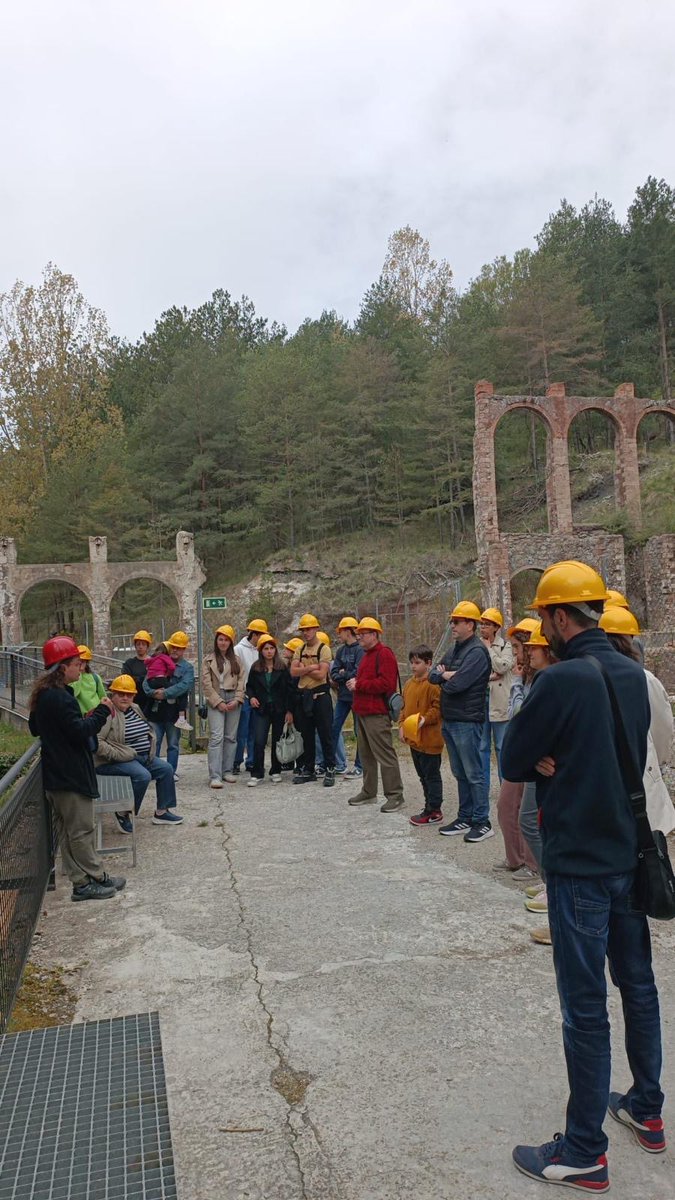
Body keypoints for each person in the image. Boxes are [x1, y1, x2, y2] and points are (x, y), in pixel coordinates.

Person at [501, 560, 664, 1192]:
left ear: (560, 617)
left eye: (543, 617)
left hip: (579, 869)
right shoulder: (632, 673)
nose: (540, 627)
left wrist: (548, 755)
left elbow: (515, 757)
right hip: (629, 856)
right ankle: (647, 1111)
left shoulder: (562, 680)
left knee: (585, 1008)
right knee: (639, 986)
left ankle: (584, 1150)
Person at [28, 636, 125, 901]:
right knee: (81, 831)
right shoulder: (61, 698)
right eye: (76, 664)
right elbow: (81, 732)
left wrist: (74, 722)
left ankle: (81, 882)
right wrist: (102, 712)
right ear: (62, 667)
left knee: (68, 831)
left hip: (55, 775)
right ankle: (96, 877)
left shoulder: (44, 696)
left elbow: (35, 727)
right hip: (70, 775)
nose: (80, 668)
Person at [599, 606, 675, 836]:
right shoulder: (645, 679)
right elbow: (662, 728)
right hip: (642, 773)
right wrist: (656, 762)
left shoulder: (586, 676)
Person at [429, 601, 492, 842]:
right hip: (452, 718)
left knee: (474, 772)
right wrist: (445, 674)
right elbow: (433, 674)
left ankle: (482, 820)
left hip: (467, 720)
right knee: (460, 772)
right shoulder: (455, 649)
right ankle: (465, 817)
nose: (452, 625)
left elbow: (457, 685)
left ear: (470, 624)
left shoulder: (476, 652)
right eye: (452, 621)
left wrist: (445, 677)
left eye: (456, 622)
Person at [94, 674, 183, 827]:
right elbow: (97, 742)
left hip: (141, 757)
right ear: (112, 695)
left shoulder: (135, 708)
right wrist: (120, 754)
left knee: (166, 769)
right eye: (120, 694)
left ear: (134, 696)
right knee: (143, 776)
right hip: (114, 761)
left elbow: (146, 729)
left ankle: (162, 813)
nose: (124, 698)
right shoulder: (107, 712)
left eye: (129, 694)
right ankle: (123, 812)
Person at [347, 616, 404, 813]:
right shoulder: (368, 655)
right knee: (366, 755)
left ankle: (395, 795)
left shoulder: (384, 654)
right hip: (363, 712)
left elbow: (386, 684)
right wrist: (357, 682)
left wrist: (359, 685)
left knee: (384, 754)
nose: (359, 637)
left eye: (362, 634)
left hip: (376, 714)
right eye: (358, 634)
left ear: (374, 634)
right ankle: (369, 791)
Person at [399, 644, 443, 826]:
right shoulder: (408, 684)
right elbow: (403, 708)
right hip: (414, 740)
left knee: (432, 775)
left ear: (429, 663)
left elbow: (438, 707)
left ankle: (434, 809)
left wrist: (424, 719)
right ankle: (428, 805)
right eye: (411, 662)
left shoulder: (434, 685)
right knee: (422, 775)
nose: (413, 666)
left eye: (417, 662)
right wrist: (401, 725)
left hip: (430, 740)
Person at [290, 614, 336, 787]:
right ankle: (308, 769)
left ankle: (330, 767)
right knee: (306, 734)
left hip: (321, 696)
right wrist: (311, 667)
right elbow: (293, 672)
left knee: (325, 733)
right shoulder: (299, 649)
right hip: (304, 695)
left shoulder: (324, 649)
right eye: (303, 630)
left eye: (308, 629)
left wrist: (303, 668)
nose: (306, 632)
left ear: (316, 629)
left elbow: (322, 674)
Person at [142, 630, 194, 776]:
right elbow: (146, 683)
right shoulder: (158, 660)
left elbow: (184, 686)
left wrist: (163, 694)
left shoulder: (187, 668)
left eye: (178, 647)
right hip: (155, 710)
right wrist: (153, 693)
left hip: (174, 712)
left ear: (184, 649)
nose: (175, 650)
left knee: (173, 744)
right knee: (154, 742)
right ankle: (154, 770)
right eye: (173, 646)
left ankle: (171, 772)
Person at [245, 635, 294, 786]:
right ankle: (257, 772)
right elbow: (250, 686)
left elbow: (289, 690)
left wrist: (289, 711)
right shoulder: (255, 668)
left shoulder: (282, 667)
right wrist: (251, 697)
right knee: (259, 740)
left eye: (271, 648)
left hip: (279, 709)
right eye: (266, 649)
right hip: (261, 709)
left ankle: (276, 770)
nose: (269, 651)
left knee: (277, 741)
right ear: (261, 651)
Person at [201, 624, 244, 789]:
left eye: (226, 640)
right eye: (220, 639)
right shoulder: (208, 660)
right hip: (216, 699)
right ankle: (215, 775)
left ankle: (227, 770)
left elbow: (241, 681)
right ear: (216, 641)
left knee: (231, 737)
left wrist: (238, 699)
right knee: (216, 737)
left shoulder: (237, 660)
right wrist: (217, 701)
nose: (223, 643)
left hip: (233, 698)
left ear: (231, 642)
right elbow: (206, 684)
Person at [478, 608, 513, 788]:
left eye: (487, 624)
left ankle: (505, 786)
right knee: (482, 747)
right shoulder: (476, 645)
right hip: (482, 701)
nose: (483, 627)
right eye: (482, 624)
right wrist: (488, 676)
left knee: (501, 747)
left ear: (496, 627)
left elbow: (502, 667)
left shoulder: (505, 646)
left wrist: (489, 650)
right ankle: (482, 788)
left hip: (499, 701)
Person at [330, 616, 364, 777]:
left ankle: (360, 766)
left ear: (348, 631)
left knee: (359, 731)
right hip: (343, 697)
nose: (338, 634)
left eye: (340, 631)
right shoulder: (340, 651)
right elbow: (334, 673)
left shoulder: (360, 650)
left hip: (357, 697)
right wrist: (344, 675)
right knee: (334, 727)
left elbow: (359, 672)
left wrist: (344, 673)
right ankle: (334, 763)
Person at [234, 619, 269, 773]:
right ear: (254, 634)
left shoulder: (261, 650)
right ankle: (236, 761)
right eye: (260, 634)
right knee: (241, 731)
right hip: (244, 695)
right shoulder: (238, 650)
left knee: (255, 731)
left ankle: (252, 761)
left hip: (259, 695)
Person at [122, 630, 154, 716]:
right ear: (135, 646)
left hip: (151, 702)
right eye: (138, 644)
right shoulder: (129, 663)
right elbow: (126, 680)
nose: (140, 647)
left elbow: (155, 680)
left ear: (147, 646)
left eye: (143, 644)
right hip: (133, 702)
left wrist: (137, 678)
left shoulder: (154, 662)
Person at [71, 645, 106, 715]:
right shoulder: (71, 678)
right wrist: (79, 673)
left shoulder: (95, 677)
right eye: (78, 662)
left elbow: (103, 697)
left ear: (87, 662)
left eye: (83, 662)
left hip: (96, 715)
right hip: (80, 716)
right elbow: (75, 693)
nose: (80, 664)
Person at [144, 644, 176, 715]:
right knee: (172, 686)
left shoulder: (153, 658)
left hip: (150, 681)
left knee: (153, 695)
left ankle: (147, 711)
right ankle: (171, 698)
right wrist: (168, 674)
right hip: (160, 678)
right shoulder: (164, 657)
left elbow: (146, 663)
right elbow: (172, 667)